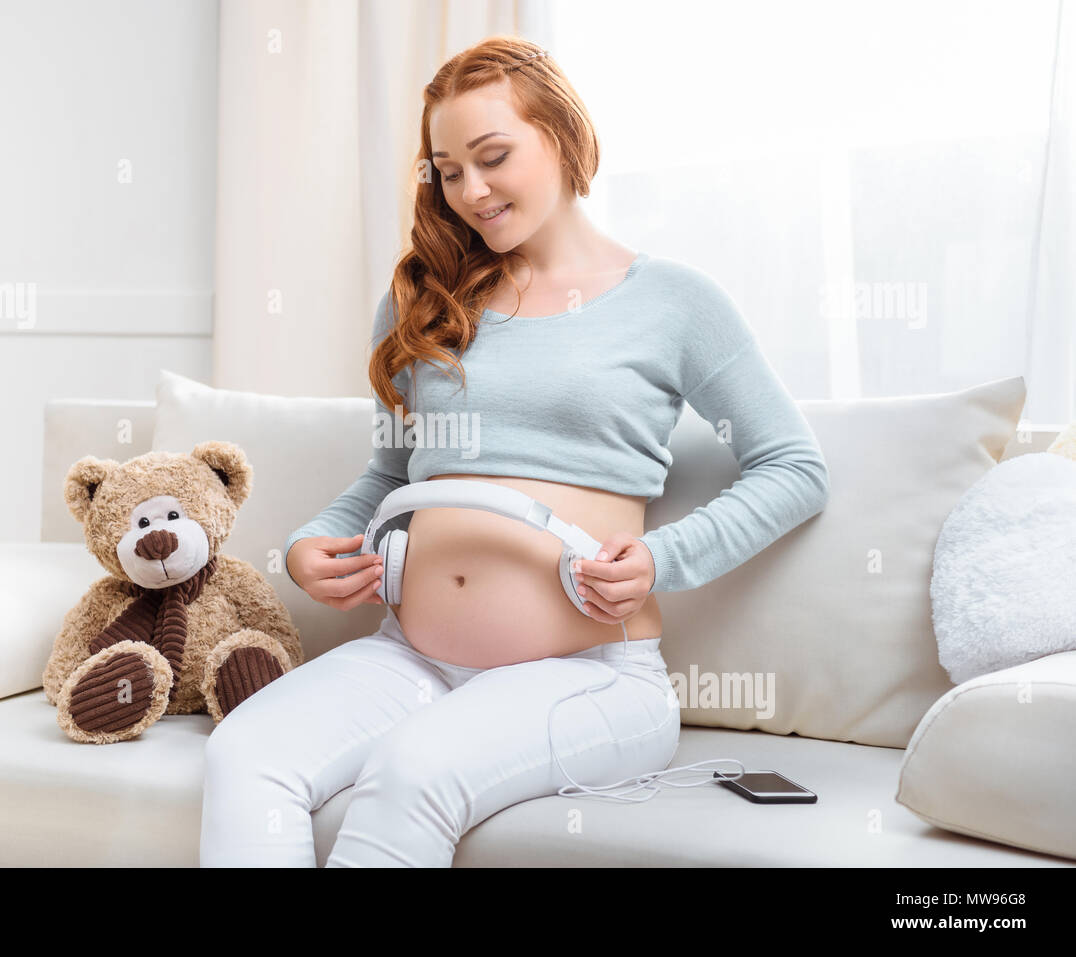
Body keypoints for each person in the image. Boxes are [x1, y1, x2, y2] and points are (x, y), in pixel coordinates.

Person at [200, 35, 829, 867]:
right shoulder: (421, 303)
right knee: (244, 755)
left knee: (410, 773)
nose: (471, 191)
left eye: (493, 157)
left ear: (565, 137)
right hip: (409, 655)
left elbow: (795, 466)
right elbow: (390, 473)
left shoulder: (675, 302)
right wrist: (318, 539)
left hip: (592, 675)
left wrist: (661, 557)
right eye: (448, 170)